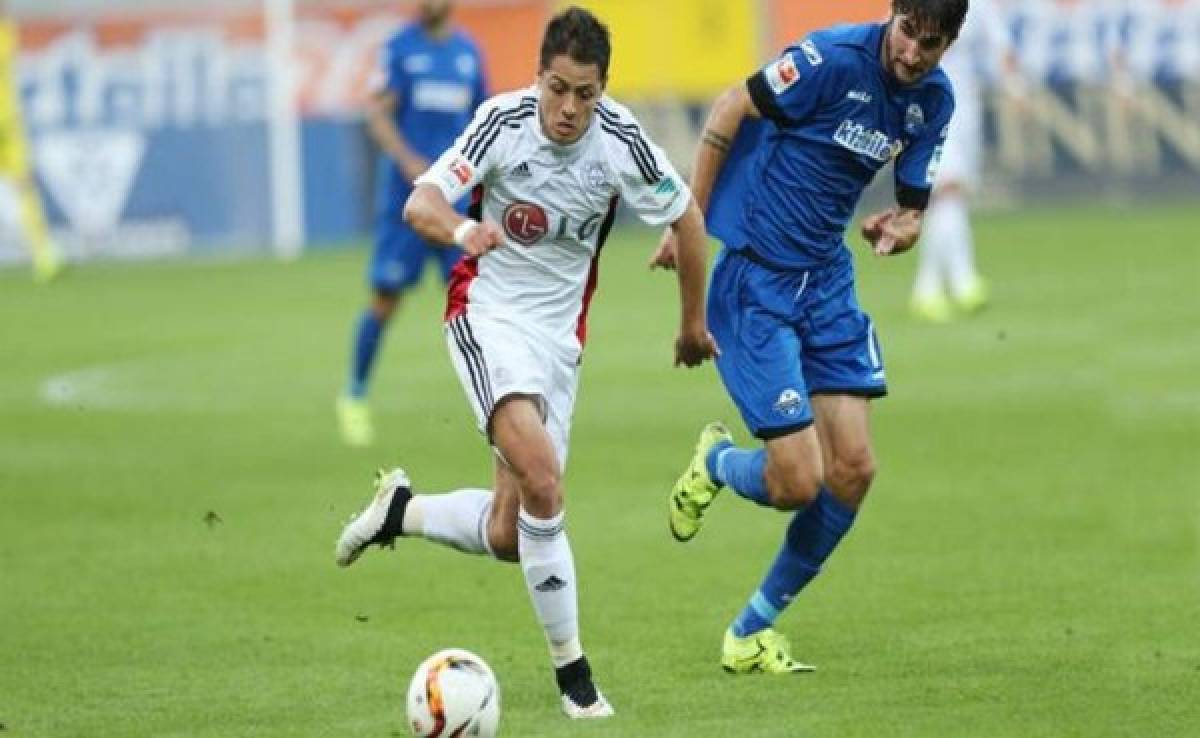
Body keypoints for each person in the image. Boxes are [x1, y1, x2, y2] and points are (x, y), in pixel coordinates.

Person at [336, 6, 716, 717]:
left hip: (557, 346)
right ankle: (577, 681)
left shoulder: (621, 142)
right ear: (537, 77)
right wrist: (461, 228)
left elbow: (688, 220)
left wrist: (693, 323)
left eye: (586, 93)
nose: (569, 108)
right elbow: (421, 202)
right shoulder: (502, 123)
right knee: (544, 481)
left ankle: (401, 512)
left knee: (513, 533)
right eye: (557, 88)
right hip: (486, 317)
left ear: (603, 89)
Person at [656, 0, 966, 673]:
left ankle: (748, 633)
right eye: (909, 32)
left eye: (932, 44)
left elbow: (912, 208)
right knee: (798, 481)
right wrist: (690, 221)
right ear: (893, 14)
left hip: (826, 281)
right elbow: (729, 106)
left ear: (951, 43)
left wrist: (904, 227)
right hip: (757, 283)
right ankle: (715, 463)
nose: (914, 53)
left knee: (853, 470)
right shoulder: (830, 59)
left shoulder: (933, 102)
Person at [337, 0, 487, 446]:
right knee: (385, 299)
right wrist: (407, 161)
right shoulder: (400, 49)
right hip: (408, 204)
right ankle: (355, 395)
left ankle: (488, 402)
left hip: (454, 205)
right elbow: (377, 113)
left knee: (472, 304)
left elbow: (484, 120)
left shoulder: (468, 53)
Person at [911, 0, 1016, 321]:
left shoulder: (979, 6)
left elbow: (1001, 48)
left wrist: (1014, 88)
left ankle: (926, 289)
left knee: (950, 198)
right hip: (929, 105)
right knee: (948, 189)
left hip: (967, 110)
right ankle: (963, 281)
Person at [0, 1, 63, 284]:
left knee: (24, 184)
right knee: (24, 185)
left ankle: (42, 254)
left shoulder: (6, 33)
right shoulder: (6, 33)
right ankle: (43, 254)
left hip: (9, 123)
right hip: (9, 122)